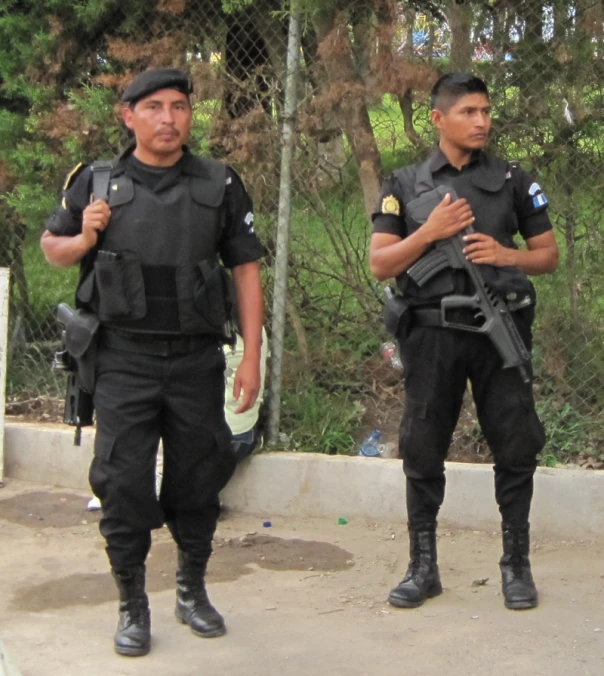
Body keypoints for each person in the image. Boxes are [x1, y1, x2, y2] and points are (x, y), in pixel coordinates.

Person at [40, 68, 265, 656]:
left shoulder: (219, 182)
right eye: (155, 107)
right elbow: (53, 250)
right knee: (123, 483)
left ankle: (191, 589)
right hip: (123, 361)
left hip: (196, 360)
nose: (169, 118)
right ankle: (132, 603)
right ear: (128, 115)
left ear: (191, 115)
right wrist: (84, 238)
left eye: (180, 107)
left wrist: (252, 357)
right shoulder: (95, 181)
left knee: (200, 476)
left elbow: (245, 269)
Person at [369, 73, 559, 611]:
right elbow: (380, 261)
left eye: (485, 111)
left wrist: (506, 257)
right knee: (424, 446)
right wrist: (429, 233)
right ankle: (422, 567)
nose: (481, 121)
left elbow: (548, 255)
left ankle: (516, 566)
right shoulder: (404, 184)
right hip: (432, 334)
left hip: (498, 329)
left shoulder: (513, 179)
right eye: (469, 112)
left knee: (516, 444)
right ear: (438, 119)